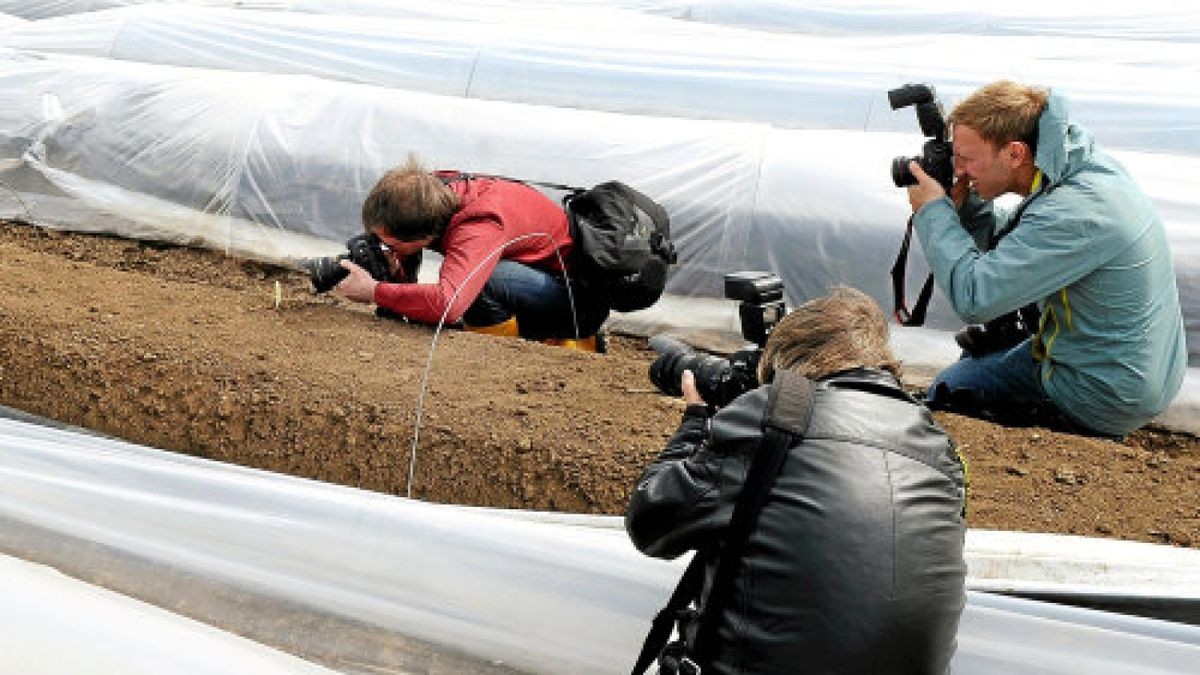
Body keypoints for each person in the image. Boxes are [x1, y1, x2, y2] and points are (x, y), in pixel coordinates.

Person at [626, 287, 967, 674]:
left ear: (785, 361)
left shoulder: (775, 416)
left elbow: (649, 523)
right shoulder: (938, 447)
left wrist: (695, 422)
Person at [907, 80, 1186, 438]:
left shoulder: (1073, 212)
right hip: (1135, 364)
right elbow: (1016, 245)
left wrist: (933, 213)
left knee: (950, 387)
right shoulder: (1083, 170)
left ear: (1015, 154)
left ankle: (1080, 427)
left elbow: (975, 297)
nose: (959, 170)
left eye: (966, 159)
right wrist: (968, 207)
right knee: (986, 348)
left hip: (1105, 391)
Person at [334, 156, 609, 350]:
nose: (385, 249)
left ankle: (509, 355)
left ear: (426, 236)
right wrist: (397, 272)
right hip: (542, 279)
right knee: (476, 281)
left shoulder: (479, 223)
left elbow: (448, 305)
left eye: (390, 244)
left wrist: (374, 290)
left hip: (578, 303)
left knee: (477, 283)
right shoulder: (432, 194)